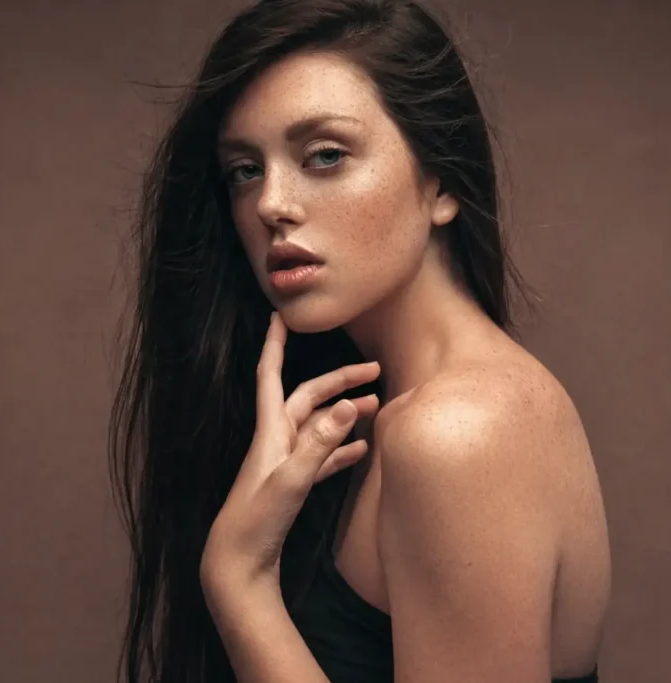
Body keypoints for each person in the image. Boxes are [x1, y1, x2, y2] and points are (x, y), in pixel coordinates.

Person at [108, 1, 612, 681]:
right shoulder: (359, 416)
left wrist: (238, 578)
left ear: (441, 183)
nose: (270, 203)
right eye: (244, 170)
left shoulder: (462, 430)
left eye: (325, 155)